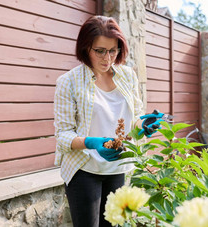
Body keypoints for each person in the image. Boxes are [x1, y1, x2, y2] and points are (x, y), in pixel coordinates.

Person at [54, 15, 146, 227]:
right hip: (84, 170)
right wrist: (91, 142)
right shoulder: (69, 82)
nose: (108, 58)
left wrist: (146, 125)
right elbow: (62, 136)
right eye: (100, 51)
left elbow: (136, 118)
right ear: (86, 48)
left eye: (113, 50)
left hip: (118, 168)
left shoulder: (127, 76)